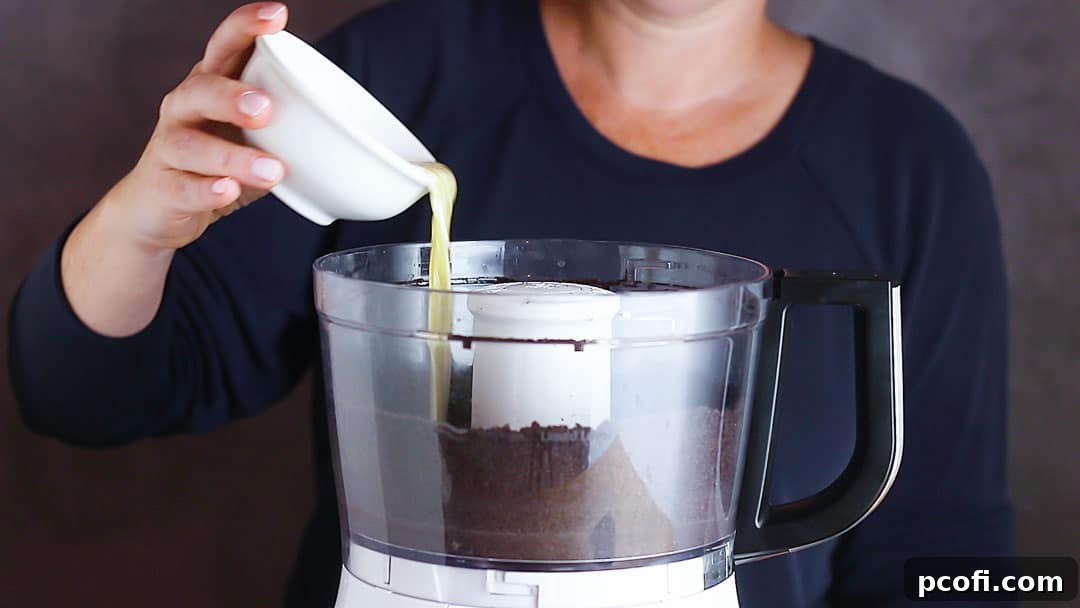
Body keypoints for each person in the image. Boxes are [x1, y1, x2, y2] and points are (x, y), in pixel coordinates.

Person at [8, 0, 1014, 606]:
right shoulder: (399, 83)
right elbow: (89, 391)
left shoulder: (909, 167)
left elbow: (951, 560)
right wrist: (138, 224)